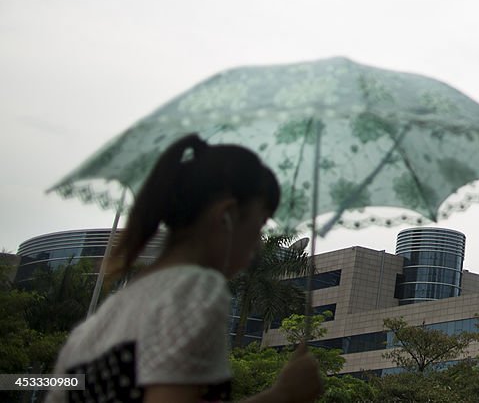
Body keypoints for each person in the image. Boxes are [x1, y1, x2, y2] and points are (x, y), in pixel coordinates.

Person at [47, 134, 324, 403]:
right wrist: (282, 395)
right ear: (226, 216)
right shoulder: (195, 289)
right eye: (260, 224)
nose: (257, 247)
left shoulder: (91, 331)